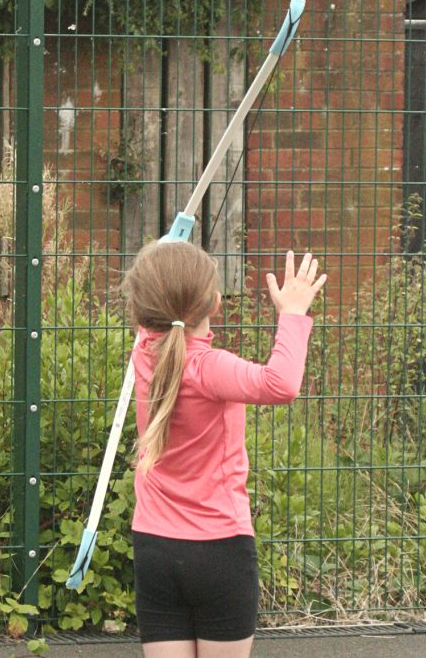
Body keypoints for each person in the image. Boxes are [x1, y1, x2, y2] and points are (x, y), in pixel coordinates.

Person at [121, 241, 326, 658]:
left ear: (142, 310)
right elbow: (281, 384)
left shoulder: (144, 355)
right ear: (215, 301)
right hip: (219, 551)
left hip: (154, 547)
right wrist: (292, 313)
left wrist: (162, 262)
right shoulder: (209, 368)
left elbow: (154, 310)